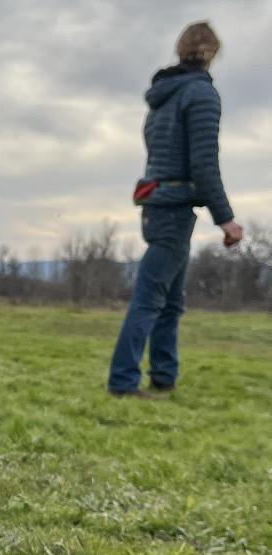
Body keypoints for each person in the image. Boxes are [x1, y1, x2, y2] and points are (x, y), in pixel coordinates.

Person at [108, 22, 243, 398]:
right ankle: (122, 381)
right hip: (173, 208)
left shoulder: (163, 96)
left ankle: (164, 376)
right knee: (150, 298)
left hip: (158, 204)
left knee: (171, 301)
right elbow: (203, 161)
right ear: (212, 54)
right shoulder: (200, 94)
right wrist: (225, 217)